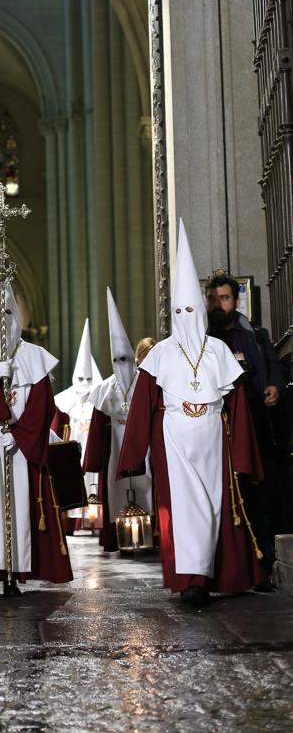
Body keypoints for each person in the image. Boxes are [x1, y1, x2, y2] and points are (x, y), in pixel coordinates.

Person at [118, 220, 265, 608]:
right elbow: (142, 407)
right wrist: (132, 456)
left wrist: (244, 454)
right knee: (185, 508)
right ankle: (192, 580)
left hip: (214, 437)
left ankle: (214, 573)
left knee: (215, 505)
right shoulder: (161, 354)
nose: (186, 315)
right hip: (175, 438)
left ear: (201, 310)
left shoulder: (218, 351)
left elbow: (236, 406)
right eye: (178, 309)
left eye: (191, 308)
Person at [0, 235, 73, 603]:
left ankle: (12, 576)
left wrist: (19, 434)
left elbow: (42, 404)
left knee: (20, 506)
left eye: (7, 314)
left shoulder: (35, 356)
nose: (2, 322)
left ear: (17, 315)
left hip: (20, 443)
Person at [205, 271, 286, 574]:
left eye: (224, 298)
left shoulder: (255, 334)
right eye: (212, 299)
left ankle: (262, 563)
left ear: (236, 300)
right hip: (221, 429)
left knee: (260, 496)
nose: (217, 304)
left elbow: (275, 367)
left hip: (257, 425)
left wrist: (275, 386)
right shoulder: (206, 339)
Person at [84, 288, 153, 552]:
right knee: (115, 488)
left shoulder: (146, 385)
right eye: (117, 359)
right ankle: (119, 538)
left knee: (146, 486)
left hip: (142, 444)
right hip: (115, 444)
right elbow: (96, 429)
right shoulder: (103, 389)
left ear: (133, 360)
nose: (121, 364)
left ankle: (149, 536)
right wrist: (93, 461)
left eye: (125, 359)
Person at [51, 318, 102, 532]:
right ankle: (74, 523)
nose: (84, 385)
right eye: (80, 378)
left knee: (94, 484)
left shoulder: (100, 398)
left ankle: (94, 522)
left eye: (88, 379)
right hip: (74, 450)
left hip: (93, 450)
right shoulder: (63, 401)